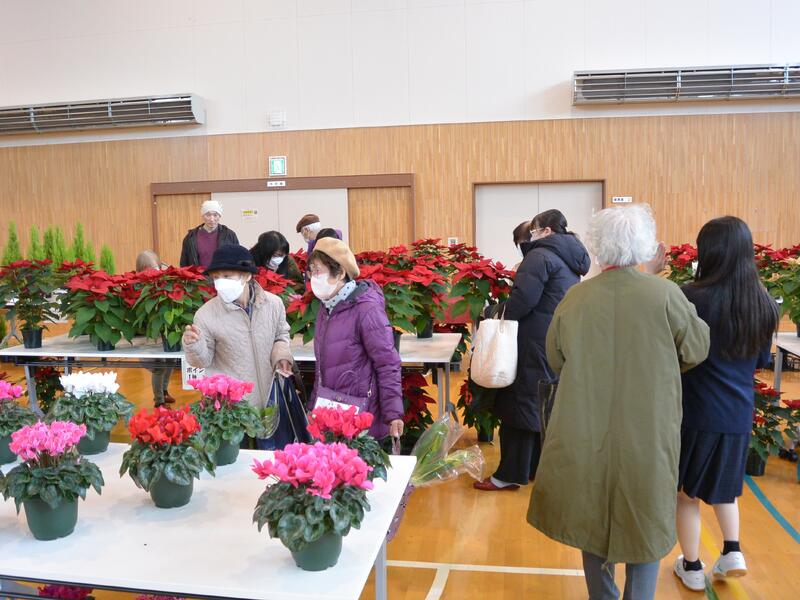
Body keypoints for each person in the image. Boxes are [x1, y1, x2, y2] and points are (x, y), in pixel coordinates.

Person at [527, 204, 710, 600]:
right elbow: (696, 348)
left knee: (591, 518)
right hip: (649, 428)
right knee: (645, 519)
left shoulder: (576, 298)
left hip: (585, 425)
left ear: (598, 246)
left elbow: (555, 357)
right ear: (645, 245)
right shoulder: (665, 294)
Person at [669, 217, 779, 591]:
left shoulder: (690, 296)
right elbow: (761, 360)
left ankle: (692, 566)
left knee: (686, 495)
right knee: (724, 489)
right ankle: (732, 550)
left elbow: (676, 352)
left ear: (708, 251)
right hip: (738, 414)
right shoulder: (763, 302)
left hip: (696, 412)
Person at [474, 209, 590, 492]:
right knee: (539, 403)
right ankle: (533, 467)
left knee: (518, 404)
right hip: (553, 338)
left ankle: (509, 475)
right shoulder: (569, 258)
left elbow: (522, 301)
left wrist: (492, 311)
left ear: (547, 231)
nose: (532, 236)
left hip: (531, 340)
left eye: (535, 230)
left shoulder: (540, 256)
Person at [182, 245, 293, 435]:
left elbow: (281, 335)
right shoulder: (205, 315)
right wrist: (193, 345)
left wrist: (281, 356)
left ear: (247, 276)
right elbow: (202, 361)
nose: (220, 283)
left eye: (227, 276)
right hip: (232, 409)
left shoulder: (273, 304)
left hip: (271, 397)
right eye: (216, 277)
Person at [307, 237, 404, 441]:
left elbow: (387, 363)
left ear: (340, 273)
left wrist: (393, 414)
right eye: (311, 271)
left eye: (318, 270)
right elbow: (322, 368)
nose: (313, 277)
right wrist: (313, 405)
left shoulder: (366, 310)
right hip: (332, 413)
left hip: (361, 416)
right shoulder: (326, 308)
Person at [135, 250, 174, 407]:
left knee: (171, 361)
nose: (153, 271)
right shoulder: (138, 285)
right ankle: (159, 401)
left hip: (166, 329)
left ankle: (164, 391)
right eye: (148, 269)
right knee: (158, 366)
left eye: (155, 267)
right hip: (149, 333)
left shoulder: (165, 281)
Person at [180, 200, 239, 268]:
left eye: (215, 215)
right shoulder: (191, 237)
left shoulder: (229, 235)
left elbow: (237, 258)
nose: (212, 219)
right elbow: (184, 263)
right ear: (203, 216)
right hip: (199, 274)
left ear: (220, 216)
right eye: (208, 215)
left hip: (222, 273)